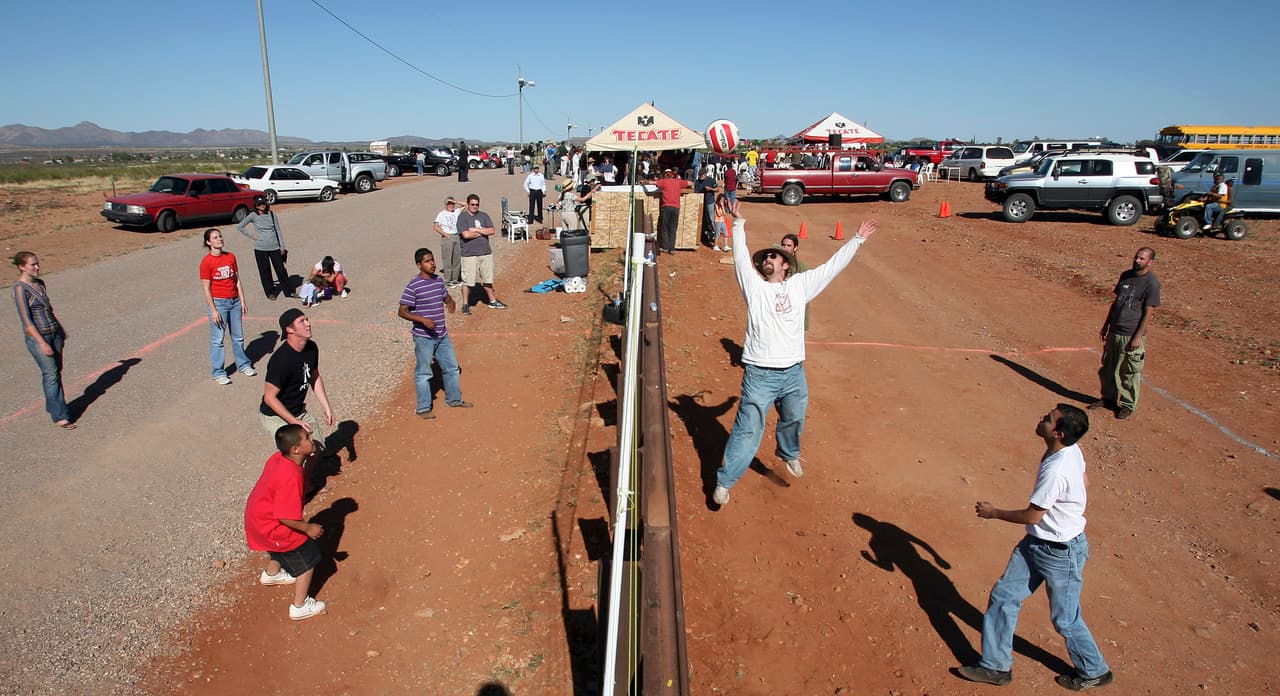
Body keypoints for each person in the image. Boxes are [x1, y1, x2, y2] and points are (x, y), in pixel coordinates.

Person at [712, 202, 878, 506]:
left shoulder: (801, 285)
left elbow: (832, 267)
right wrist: (738, 224)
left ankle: (787, 454)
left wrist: (856, 240)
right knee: (748, 430)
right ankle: (725, 481)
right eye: (765, 257)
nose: (768, 259)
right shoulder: (755, 288)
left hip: (793, 373)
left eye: (774, 256)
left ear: (786, 264)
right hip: (760, 374)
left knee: (794, 417)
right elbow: (738, 258)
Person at [958, 404, 1114, 691]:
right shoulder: (1070, 450)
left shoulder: (1056, 470)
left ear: (1059, 432)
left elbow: (1032, 515)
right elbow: (1085, 481)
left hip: (1060, 552)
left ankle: (1095, 670)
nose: (1042, 419)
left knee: (1065, 619)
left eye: (1048, 419)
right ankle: (995, 667)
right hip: (1037, 543)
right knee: (1004, 596)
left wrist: (994, 513)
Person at [244, 423, 328, 621]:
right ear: (296, 449)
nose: (311, 436)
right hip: (271, 525)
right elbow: (285, 517)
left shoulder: (278, 459)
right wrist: (308, 528)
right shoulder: (291, 476)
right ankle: (300, 606)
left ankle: (272, 574)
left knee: (280, 547)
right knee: (308, 555)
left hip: (257, 518)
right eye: (306, 437)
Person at [398, 248, 473, 419]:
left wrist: (451, 302)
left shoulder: (438, 281)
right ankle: (423, 408)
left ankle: (454, 400)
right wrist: (422, 320)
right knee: (424, 373)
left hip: (441, 335)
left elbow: (445, 296)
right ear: (419, 265)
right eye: (427, 261)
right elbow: (402, 311)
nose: (432, 264)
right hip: (424, 338)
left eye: (432, 260)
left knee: (452, 368)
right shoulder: (414, 286)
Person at [1090, 247, 1160, 420]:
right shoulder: (1126, 276)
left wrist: (1138, 336)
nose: (1137, 260)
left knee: (1128, 371)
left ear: (1150, 262)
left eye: (1142, 259)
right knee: (1108, 368)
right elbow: (1116, 302)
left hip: (1131, 333)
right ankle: (1108, 398)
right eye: (1136, 257)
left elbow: (1148, 312)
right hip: (1115, 330)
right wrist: (1106, 325)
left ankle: (1128, 405)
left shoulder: (1151, 283)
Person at [11, 251, 74, 429]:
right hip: (39, 337)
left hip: (54, 332)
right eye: (33, 265)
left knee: (56, 372)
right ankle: (60, 416)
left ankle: (55, 406)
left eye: (37, 263)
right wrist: (42, 343)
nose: (37, 267)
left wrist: (60, 331)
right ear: (22, 267)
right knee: (50, 374)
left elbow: (49, 310)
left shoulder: (40, 284)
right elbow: (27, 321)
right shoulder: (20, 289)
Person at [259, 308, 335, 454]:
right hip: (275, 415)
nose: (308, 323)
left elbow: (315, 377)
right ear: (289, 329)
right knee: (296, 453)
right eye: (302, 321)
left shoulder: (311, 348)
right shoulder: (281, 360)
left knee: (316, 448)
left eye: (306, 319)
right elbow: (269, 398)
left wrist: (326, 407)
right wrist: (295, 422)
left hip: (297, 410)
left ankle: (306, 477)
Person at [199, 229, 255, 385]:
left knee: (238, 337)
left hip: (234, 301)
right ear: (208, 242)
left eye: (220, 236)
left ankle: (243, 365)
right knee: (218, 340)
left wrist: (242, 300)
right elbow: (206, 288)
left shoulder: (230, 257)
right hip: (219, 303)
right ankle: (219, 372)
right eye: (215, 237)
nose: (219, 239)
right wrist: (213, 310)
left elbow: (237, 280)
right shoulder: (206, 262)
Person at [455, 194, 508, 314]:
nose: (475, 206)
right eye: (472, 204)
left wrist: (476, 230)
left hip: (485, 253)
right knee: (468, 280)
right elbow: (466, 235)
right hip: (469, 254)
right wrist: (483, 232)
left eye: (477, 204)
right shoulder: (462, 218)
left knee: (488, 278)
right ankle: (465, 304)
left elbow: (492, 230)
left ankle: (492, 301)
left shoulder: (484, 216)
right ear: (467, 205)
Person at [236, 197, 290, 300]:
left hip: (274, 247)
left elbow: (278, 230)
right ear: (256, 206)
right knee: (265, 271)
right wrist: (253, 236)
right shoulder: (253, 216)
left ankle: (288, 291)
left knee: (281, 269)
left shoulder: (272, 215)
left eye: (264, 203)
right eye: (260, 204)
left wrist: (282, 246)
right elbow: (240, 227)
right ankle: (270, 292)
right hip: (260, 249)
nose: (262, 206)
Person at [646, 168, 692, 255]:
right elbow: (690, 183)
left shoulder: (664, 181)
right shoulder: (678, 181)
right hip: (676, 208)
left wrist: (643, 182)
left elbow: (652, 183)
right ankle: (672, 249)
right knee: (673, 229)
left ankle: (666, 247)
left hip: (666, 207)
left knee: (664, 228)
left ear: (665, 175)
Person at [780, 233, 810, 330]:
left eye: (789, 245)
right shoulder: (776, 265)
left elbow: (805, 295)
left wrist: (803, 321)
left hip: (795, 314)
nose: (785, 248)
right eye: (783, 245)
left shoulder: (801, 267)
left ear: (795, 248)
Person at [434, 197, 462, 288]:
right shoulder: (441, 214)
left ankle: (455, 279)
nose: (451, 205)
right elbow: (436, 226)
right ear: (446, 205)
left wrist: (456, 201)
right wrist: (445, 234)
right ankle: (448, 281)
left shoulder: (457, 212)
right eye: (449, 203)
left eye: (452, 203)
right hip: (447, 237)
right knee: (448, 259)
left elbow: (466, 205)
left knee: (457, 259)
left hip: (457, 236)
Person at [694, 166, 719, 245]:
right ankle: (704, 234)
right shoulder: (697, 182)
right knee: (702, 219)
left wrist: (710, 189)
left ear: (705, 174)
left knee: (711, 219)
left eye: (702, 175)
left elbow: (717, 189)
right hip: (701, 202)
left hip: (709, 202)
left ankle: (715, 234)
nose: (700, 177)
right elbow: (696, 191)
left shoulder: (711, 180)